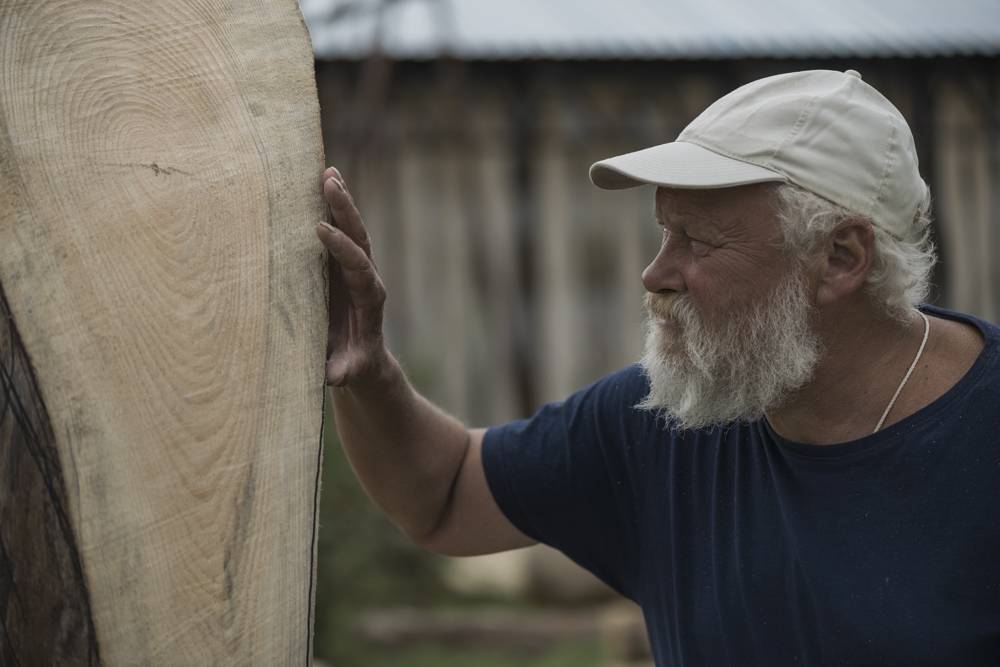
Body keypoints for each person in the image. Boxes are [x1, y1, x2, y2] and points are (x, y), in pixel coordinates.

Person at [314, 69, 1000, 666]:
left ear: (842, 257)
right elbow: (446, 496)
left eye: (696, 240)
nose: (654, 272)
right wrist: (370, 371)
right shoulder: (675, 416)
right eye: (663, 231)